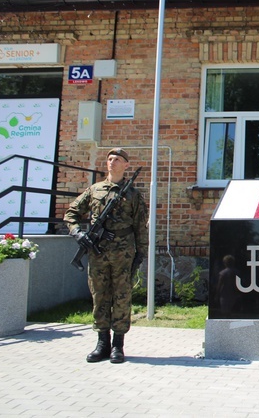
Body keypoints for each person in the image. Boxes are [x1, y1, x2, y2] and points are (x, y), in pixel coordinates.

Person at [63, 148, 148, 364]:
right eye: (110, 159)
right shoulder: (95, 190)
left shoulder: (133, 195)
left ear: (126, 165)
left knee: (122, 296)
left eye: (117, 159)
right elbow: (71, 213)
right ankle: (102, 342)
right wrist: (78, 233)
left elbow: (141, 226)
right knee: (99, 295)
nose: (112, 162)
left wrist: (141, 253)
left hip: (123, 252)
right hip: (97, 251)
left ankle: (118, 345)